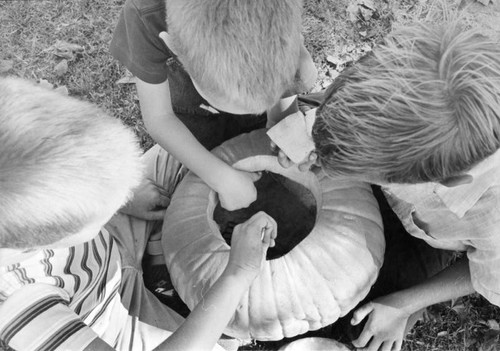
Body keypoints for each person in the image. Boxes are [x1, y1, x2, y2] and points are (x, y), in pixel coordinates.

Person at [0, 77, 277, 351]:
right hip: (112, 314)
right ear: (50, 240)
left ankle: (142, 240)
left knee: (194, 153)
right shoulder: (18, 301)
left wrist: (127, 197)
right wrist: (239, 272)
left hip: (110, 239)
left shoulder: (16, 136)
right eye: (113, 199)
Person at [311, 20, 500, 351]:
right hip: (411, 202)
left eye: (374, 174)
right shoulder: (426, 71)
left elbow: (482, 272)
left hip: (436, 241)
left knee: (352, 328)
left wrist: (405, 304)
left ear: (449, 182)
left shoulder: (495, 223)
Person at [110, 0, 318, 212]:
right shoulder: (145, 14)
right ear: (174, 47)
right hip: (188, 96)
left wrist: (283, 120)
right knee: (202, 136)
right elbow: (159, 117)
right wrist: (220, 177)